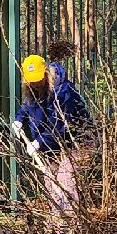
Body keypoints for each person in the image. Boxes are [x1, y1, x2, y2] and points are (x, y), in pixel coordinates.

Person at [15, 50, 92, 222]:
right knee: (50, 180)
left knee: (65, 179)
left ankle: (71, 224)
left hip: (77, 142)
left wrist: (38, 143)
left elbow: (61, 126)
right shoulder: (32, 91)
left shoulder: (63, 91)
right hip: (52, 145)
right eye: (31, 81)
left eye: (38, 79)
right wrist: (19, 120)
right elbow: (26, 108)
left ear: (46, 73)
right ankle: (57, 224)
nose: (35, 84)